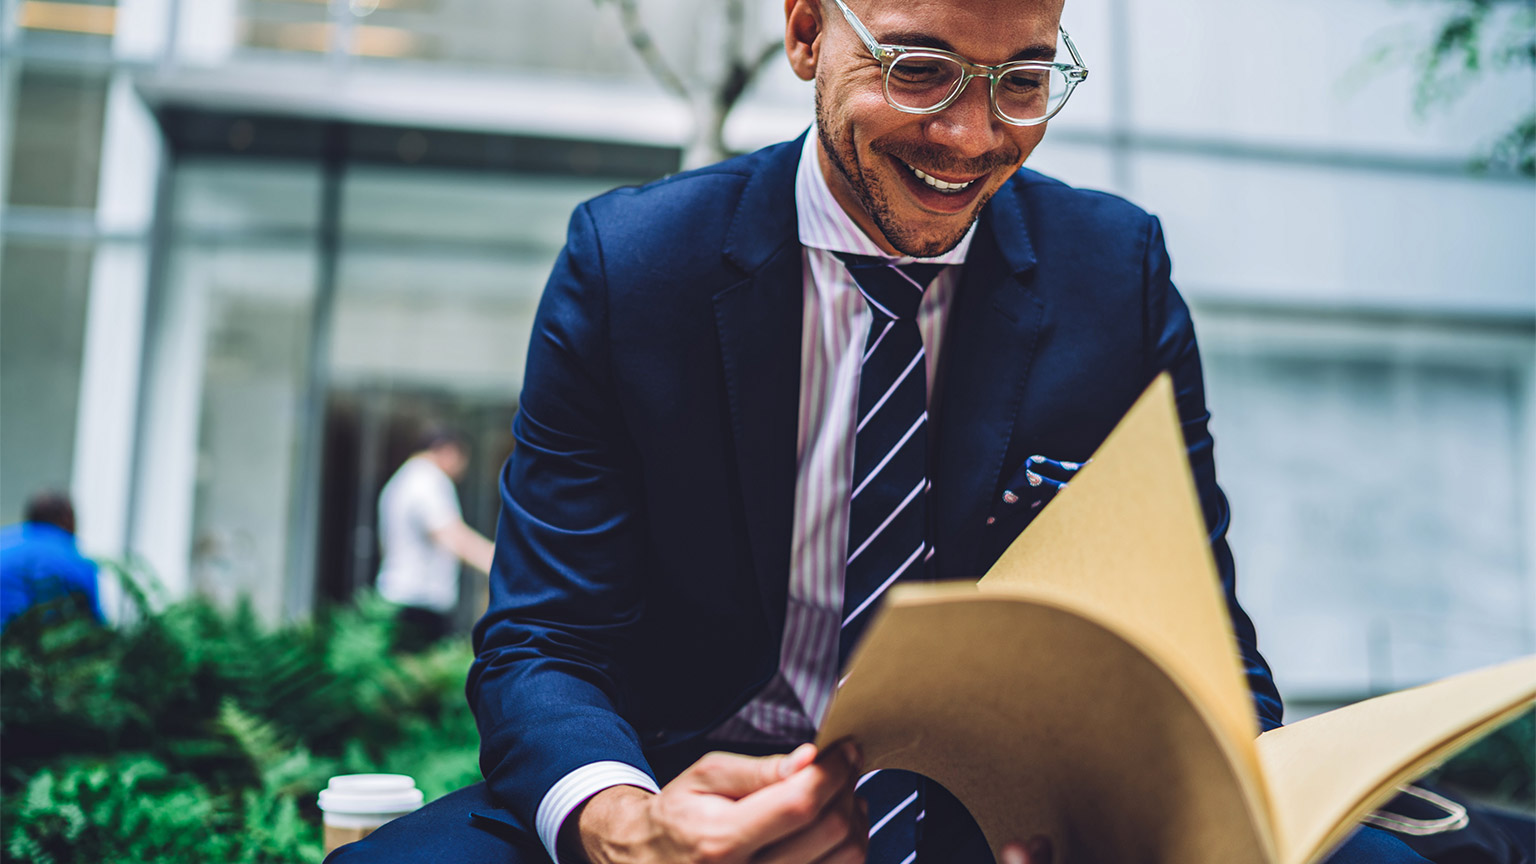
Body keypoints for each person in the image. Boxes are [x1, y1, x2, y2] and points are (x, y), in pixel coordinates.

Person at [331, 0, 1435, 862]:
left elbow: (1205, 648)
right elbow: (542, 644)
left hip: (1006, 822)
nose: (972, 136)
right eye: (919, 69)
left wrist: (1174, 816)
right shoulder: (635, 268)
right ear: (808, 32)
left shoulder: (1118, 276)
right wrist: (627, 825)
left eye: (1026, 81)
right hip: (688, 791)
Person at [375, 428, 495, 651]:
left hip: (398, 595)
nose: (462, 470)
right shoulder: (428, 479)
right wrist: (500, 562)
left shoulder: (401, 480)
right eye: (463, 460)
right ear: (448, 452)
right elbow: (451, 535)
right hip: (419, 602)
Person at [1, 492, 105, 631]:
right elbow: (94, 626)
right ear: (66, 519)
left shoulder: (4, 540)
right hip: (26, 644)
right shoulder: (75, 559)